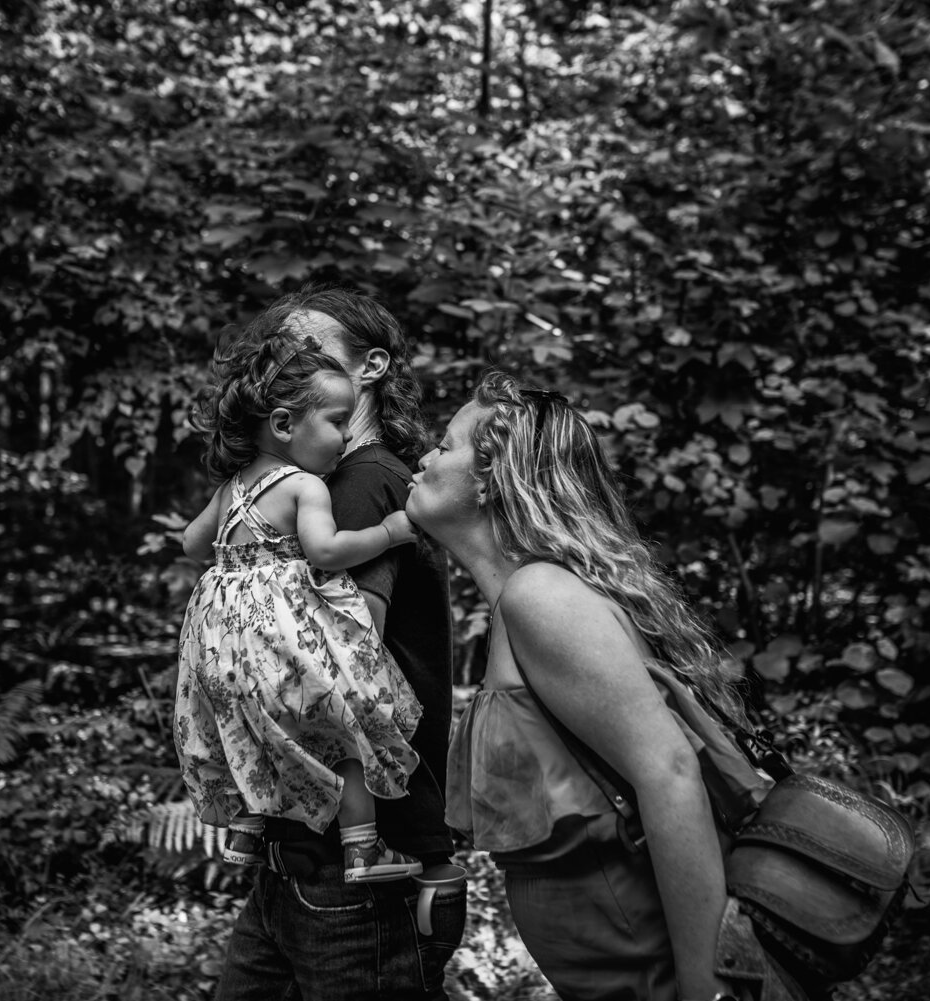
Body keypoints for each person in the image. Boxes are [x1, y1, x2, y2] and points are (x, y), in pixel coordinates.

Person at [406, 370, 801, 1001]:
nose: (425, 456)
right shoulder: (522, 601)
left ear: (491, 479)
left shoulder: (542, 597)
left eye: (446, 445)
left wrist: (709, 986)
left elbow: (670, 774)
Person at [210, 287, 465, 1001]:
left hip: (356, 861)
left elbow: (340, 665)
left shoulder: (360, 486)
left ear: (372, 367)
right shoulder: (319, 487)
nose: (287, 366)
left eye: (310, 350)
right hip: (309, 851)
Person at [176, 333, 425, 883]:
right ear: (285, 424)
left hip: (223, 649)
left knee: (251, 729)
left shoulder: (233, 486)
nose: (344, 437)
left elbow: (194, 545)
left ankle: (248, 825)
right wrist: (388, 532)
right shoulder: (303, 485)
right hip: (284, 641)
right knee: (344, 732)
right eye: (337, 421)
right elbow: (327, 551)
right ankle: (363, 849)